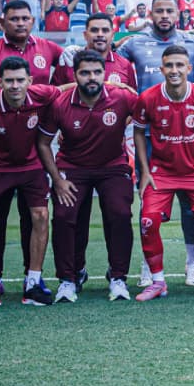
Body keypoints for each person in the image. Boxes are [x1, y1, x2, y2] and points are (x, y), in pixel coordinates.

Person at [0, 0, 65, 281]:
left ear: (33, 21)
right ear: (2, 22)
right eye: (14, 18)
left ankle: (32, 277)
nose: (20, 23)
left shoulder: (48, 48)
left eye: (25, 18)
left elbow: (69, 80)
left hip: (33, 153)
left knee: (33, 218)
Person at [116, 0, 194, 285]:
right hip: (150, 136)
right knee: (149, 202)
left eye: (170, 11)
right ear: (150, 14)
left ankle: (192, 263)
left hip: (187, 136)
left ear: (178, 14)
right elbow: (109, 63)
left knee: (190, 204)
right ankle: (148, 264)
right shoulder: (134, 43)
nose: (165, 16)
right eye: (159, 11)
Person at [37, 50, 138, 303]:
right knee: (64, 216)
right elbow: (42, 143)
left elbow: (150, 117)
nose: (91, 78)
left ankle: (117, 277)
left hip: (113, 166)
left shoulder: (123, 98)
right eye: (85, 73)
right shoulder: (59, 103)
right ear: (75, 74)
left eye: (97, 72)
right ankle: (70, 278)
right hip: (72, 168)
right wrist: (57, 180)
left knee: (120, 213)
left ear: (105, 74)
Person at [131, 45, 194, 301]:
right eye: (169, 66)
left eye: (179, 65)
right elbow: (139, 131)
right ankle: (158, 282)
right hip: (161, 173)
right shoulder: (147, 98)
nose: (174, 70)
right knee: (148, 220)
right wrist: (145, 171)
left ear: (189, 68)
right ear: (161, 69)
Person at [0, 57, 59, 309]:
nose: (15, 85)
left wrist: (114, 85)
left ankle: (33, 282)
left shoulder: (41, 94)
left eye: (20, 80)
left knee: (40, 215)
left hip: (30, 166)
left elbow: (68, 88)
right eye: (9, 80)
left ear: (30, 81)